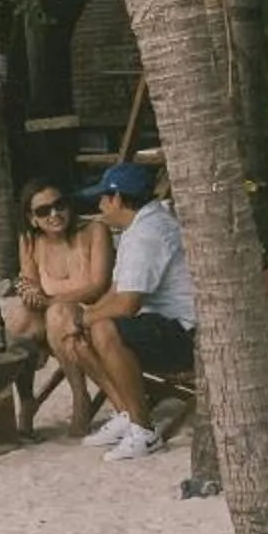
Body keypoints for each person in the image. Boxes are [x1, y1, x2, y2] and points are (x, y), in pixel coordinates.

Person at [76, 163, 195, 462]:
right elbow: (116, 291)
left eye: (102, 199)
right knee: (85, 331)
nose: (100, 206)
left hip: (186, 333)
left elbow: (127, 305)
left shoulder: (147, 235)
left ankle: (143, 430)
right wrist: (82, 320)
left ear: (116, 199)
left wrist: (84, 319)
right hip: (163, 324)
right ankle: (128, 414)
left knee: (103, 329)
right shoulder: (139, 226)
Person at [11, 178, 113, 431]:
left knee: (58, 313)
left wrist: (50, 301)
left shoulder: (94, 231)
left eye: (59, 205)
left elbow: (98, 286)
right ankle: (26, 401)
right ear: (32, 218)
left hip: (94, 314)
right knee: (20, 321)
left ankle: (80, 396)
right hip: (52, 317)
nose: (54, 214)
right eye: (43, 211)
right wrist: (31, 293)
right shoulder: (30, 240)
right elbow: (30, 282)